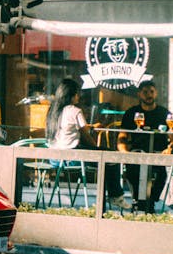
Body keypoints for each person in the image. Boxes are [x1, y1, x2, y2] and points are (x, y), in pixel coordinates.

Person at [45, 78, 126, 208]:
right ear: (71, 95)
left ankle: (110, 199)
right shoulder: (75, 110)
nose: (79, 96)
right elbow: (85, 135)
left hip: (55, 159)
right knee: (111, 156)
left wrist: (91, 126)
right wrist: (96, 148)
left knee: (105, 159)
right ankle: (115, 196)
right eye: (77, 93)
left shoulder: (53, 111)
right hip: (73, 158)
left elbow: (68, 127)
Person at [117, 79, 173, 213]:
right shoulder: (131, 112)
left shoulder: (165, 113)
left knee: (162, 174)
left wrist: (170, 149)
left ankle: (149, 202)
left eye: (151, 92)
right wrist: (126, 154)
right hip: (137, 154)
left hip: (159, 154)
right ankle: (140, 202)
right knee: (132, 171)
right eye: (145, 92)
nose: (149, 95)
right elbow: (122, 137)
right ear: (139, 94)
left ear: (156, 93)